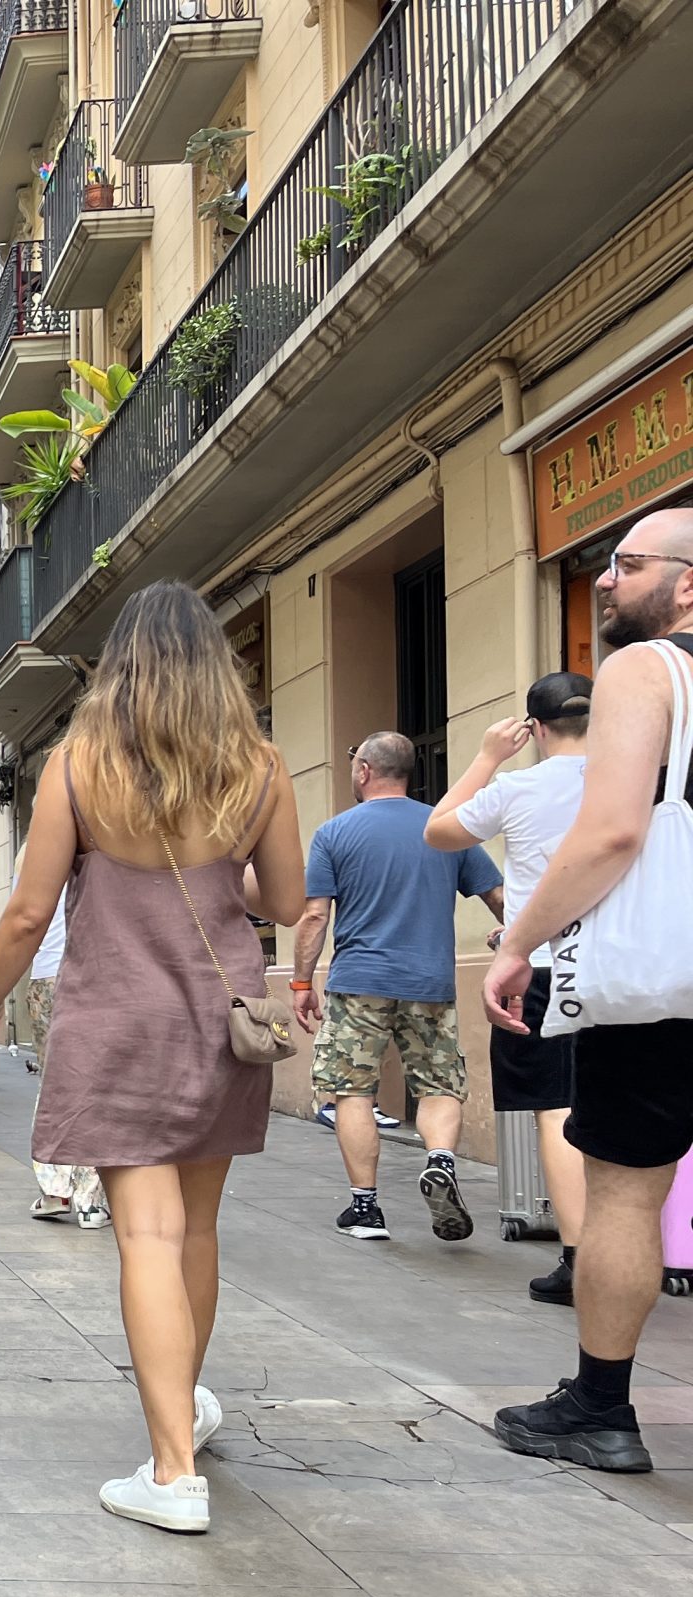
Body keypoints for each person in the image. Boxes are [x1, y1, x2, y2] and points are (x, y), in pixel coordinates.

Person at [0, 582, 306, 1535]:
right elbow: (283, 899)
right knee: (196, 1232)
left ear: (124, 665)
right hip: (219, 1024)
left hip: (117, 1024)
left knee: (143, 1235)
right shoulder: (258, 766)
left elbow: (26, 914)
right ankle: (180, 1415)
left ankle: (173, 1467)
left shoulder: (78, 766)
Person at [482, 508, 693, 1475]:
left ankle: (602, 1409)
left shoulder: (649, 671)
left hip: (665, 990)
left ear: (687, 586)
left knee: (623, 1196)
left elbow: (611, 832)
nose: (605, 580)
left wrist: (519, 942)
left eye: (627, 563)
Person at [288, 732, 505, 1243]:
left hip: (359, 982)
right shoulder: (446, 828)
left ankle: (365, 1209)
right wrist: (519, 948)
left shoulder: (334, 832)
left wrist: (302, 981)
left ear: (364, 771)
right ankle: (440, 1160)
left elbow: (315, 915)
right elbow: (499, 898)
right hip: (430, 981)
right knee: (438, 1084)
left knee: (352, 1091)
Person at [426, 673, 594, 1303]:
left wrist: (488, 756)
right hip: (630, 969)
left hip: (546, 966)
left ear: (537, 728)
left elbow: (439, 831)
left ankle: (580, 1259)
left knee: (558, 1107)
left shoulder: (517, 787)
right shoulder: (636, 781)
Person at [23, 887, 109, 1230]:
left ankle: (55, 1190)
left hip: (44, 976)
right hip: (95, 971)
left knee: (54, 1085)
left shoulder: (30, 850)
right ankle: (90, 1202)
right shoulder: (110, 834)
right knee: (96, 1086)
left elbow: (27, 918)